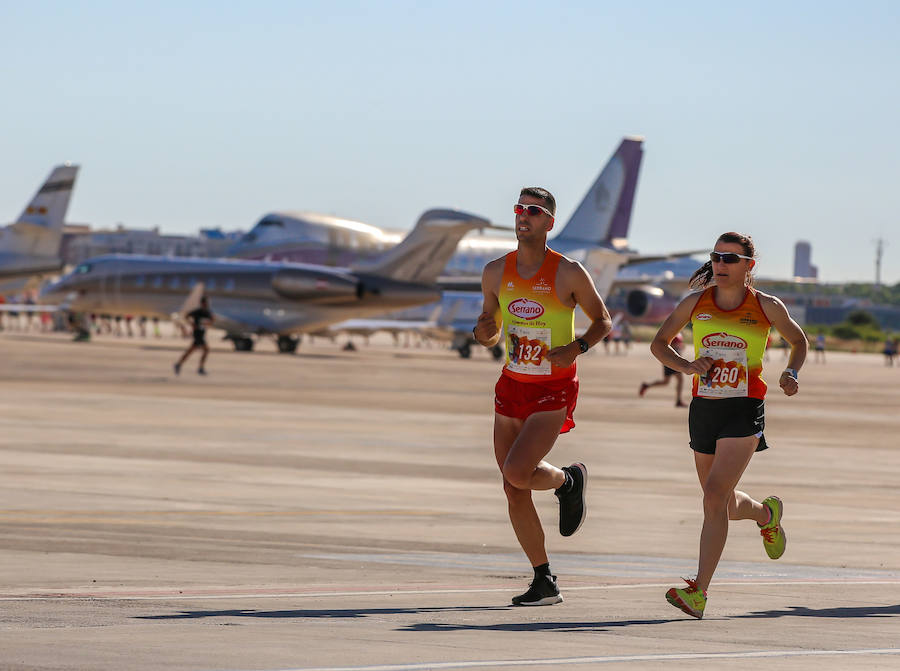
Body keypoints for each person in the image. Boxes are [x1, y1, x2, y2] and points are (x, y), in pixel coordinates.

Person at [649, 232, 807, 619]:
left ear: (749, 266)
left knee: (714, 495)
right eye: (716, 257)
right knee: (718, 499)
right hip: (704, 407)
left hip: (744, 408)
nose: (720, 264)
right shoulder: (695, 303)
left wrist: (790, 372)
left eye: (730, 259)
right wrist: (686, 366)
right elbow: (660, 343)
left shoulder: (766, 306)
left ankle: (698, 591)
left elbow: (799, 342)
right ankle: (766, 515)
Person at [473, 187, 612, 607]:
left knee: (517, 471)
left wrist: (577, 347)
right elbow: (490, 321)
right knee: (513, 487)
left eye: (533, 211)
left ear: (549, 222)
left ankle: (568, 480)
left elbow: (602, 321)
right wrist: (485, 332)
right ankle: (544, 579)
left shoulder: (567, 272)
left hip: (553, 387)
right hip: (513, 383)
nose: (524, 217)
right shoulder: (496, 271)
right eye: (519, 209)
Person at [639, 331, 687, 407]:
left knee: (666, 382)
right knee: (679, 379)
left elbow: (679, 345)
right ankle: (678, 400)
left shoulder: (678, 334)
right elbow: (669, 346)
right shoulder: (673, 333)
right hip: (672, 360)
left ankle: (647, 385)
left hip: (672, 360)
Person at [174, 297, 214, 375]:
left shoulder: (207, 312)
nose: (207, 304)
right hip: (197, 334)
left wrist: (209, 323)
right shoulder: (197, 311)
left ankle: (178, 364)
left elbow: (212, 320)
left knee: (191, 351)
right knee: (206, 349)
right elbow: (186, 316)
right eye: (206, 303)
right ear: (202, 303)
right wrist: (192, 324)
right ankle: (200, 368)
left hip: (202, 333)